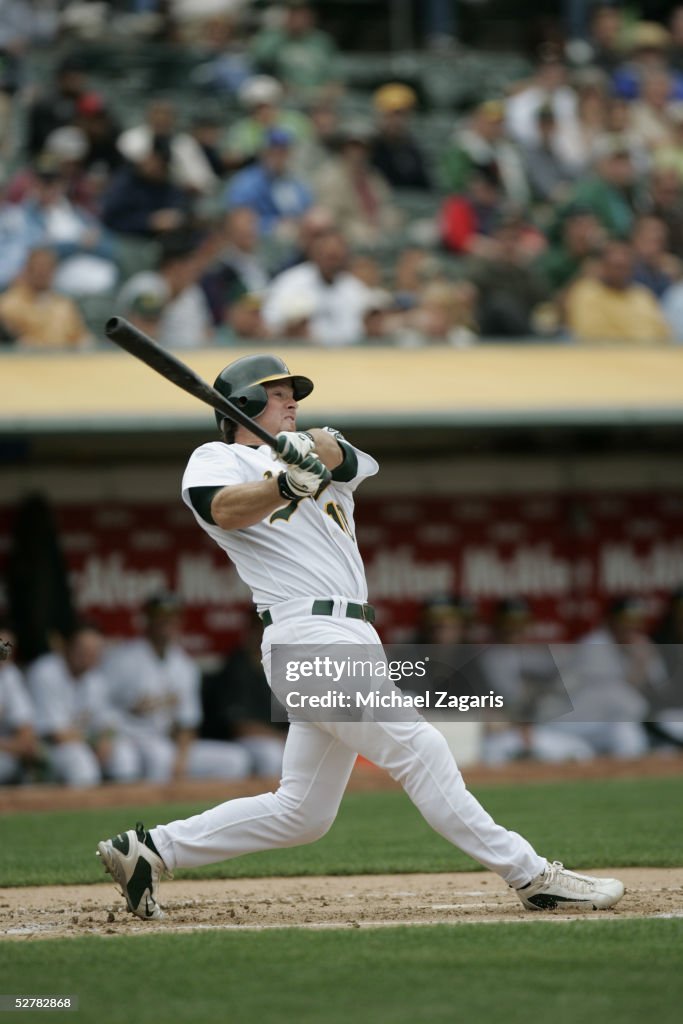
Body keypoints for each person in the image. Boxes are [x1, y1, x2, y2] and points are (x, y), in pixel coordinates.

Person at [96, 354, 625, 920]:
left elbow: (341, 456)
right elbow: (222, 509)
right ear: (245, 403)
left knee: (303, 812)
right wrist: (281, 484)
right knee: (422, 751)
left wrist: (305, 457)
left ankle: (151, 851)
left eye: (293, 394)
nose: (292, 402)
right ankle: (532, 876)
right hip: (308, 633)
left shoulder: (312, 449)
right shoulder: (217, 458)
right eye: (277, 395)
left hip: (349, 634)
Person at [102, 592, 250, 783]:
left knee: (234, 760)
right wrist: (106, 736)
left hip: (165, 742)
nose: (166, 622)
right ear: (147, 619)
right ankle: (148, 811)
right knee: (158, 756)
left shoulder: (185, 666)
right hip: (127, 738)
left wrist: (182, 757)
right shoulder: (122, 659)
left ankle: (194, 809)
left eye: (172, 617)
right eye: (160, 616)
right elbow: (100, 704)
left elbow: (188, 722)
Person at [26, 622, 139, 787]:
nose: (89, 655)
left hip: (83, 743)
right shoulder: (45, 671)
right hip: (45, 749)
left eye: (95, 650)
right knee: (80, 761)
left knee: (124, 753)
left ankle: (125, 808)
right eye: (83, 649)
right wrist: (94, 743)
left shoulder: (95, 679)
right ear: (67, 647)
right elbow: (56, 734)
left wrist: (105, 739)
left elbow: (108, 723)